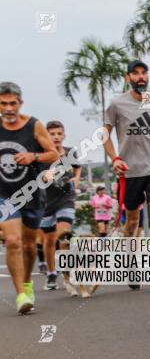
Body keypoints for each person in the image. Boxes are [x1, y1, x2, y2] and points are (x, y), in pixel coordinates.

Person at [103, 60, 150, 289]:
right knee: (132, 222)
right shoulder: (116, 104)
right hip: (130, 171)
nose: (141, 77)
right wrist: (115, 158)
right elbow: (104, 134)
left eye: (144, 73)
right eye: (136, 73)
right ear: (128, 78)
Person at [0, 81, 59, 314]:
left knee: (28, 246)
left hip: (31, 194)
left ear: (20, 103)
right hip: (4, 194)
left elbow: (54, 154)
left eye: (12, 103)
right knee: (13, 241)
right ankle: (21, 295)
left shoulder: (34, 126)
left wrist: (33, 156)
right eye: (3, 103)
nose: (8, 108)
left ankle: (27, 283)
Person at [39, 120, 82, 292]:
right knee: (49, 240)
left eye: (59, 133)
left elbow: (77, 168)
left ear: (64, 135)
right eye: (52, 134)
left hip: (66, 199)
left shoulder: (71, 152)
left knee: (63, 233)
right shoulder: (43, 155)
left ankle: (66, 271)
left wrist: (76, 179)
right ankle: (51, 272)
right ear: (46, 136)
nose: (56, 137)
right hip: (46, 201)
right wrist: (45, 177)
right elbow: (38, 179)